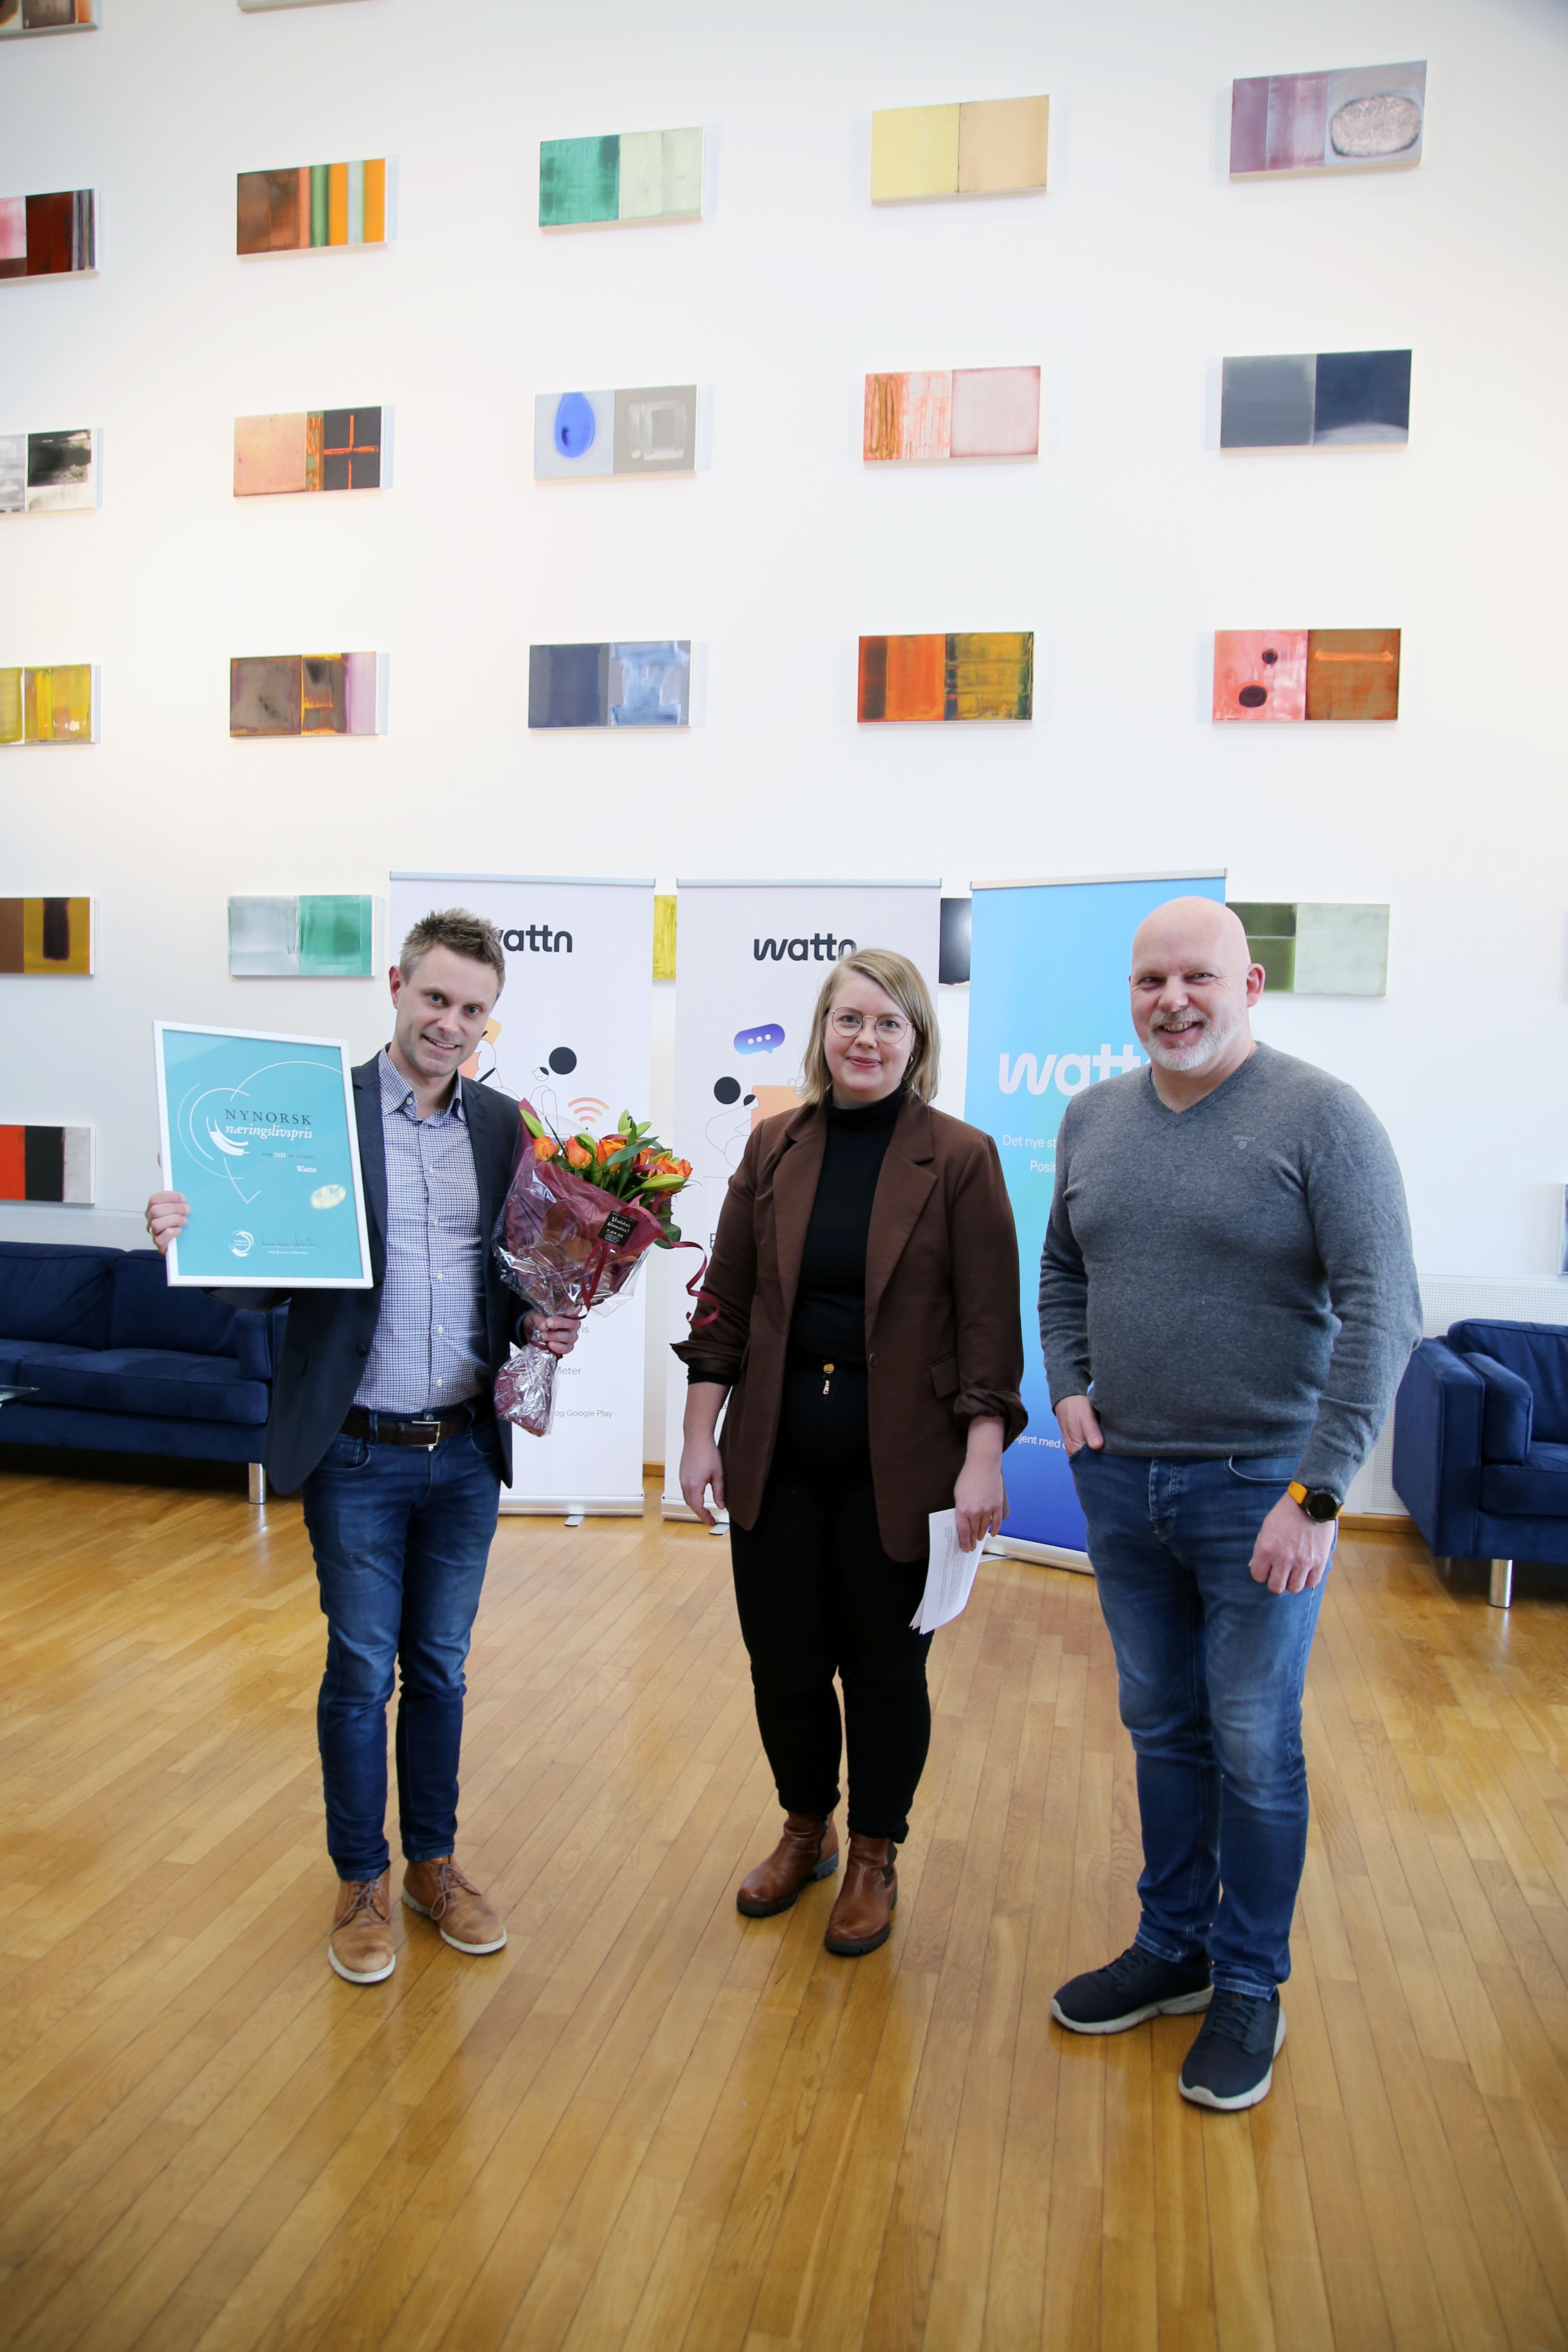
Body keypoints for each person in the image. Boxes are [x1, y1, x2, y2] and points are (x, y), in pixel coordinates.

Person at [146, 910, 578, 1987]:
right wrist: (192, 1233)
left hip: (466, 1451)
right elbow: (259, 1280)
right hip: (356, 1453)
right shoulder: (314, 1113)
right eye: (436, 998)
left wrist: (551, 1318)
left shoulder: (504, 1126)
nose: (451, 1023)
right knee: (359, 1671)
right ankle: (360, 1881)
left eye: (473, 1009)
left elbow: (517, 1278)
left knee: (440, 1669)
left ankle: (434, 1866)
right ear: (395, 986)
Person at [1040, 897, 1420, 2110]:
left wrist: (1321, 1491)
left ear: (1249, 984)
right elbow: (1061, 1269)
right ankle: (1175, 1949)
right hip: (1124, 1484)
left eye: (1197, 977)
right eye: (1150, 981)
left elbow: (1386, 1310)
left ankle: (1250, 1981)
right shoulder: (1093, 1117)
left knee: (1254, 1742)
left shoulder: (1323, 1117)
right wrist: (1069, 1385)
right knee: (1162, 1726)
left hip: (1265, 1495)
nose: (1173, 1001)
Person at [676, 948, 1026, 1956]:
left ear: (918, 1042)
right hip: (776, 1457)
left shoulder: (960, 1157)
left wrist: (984, 1455)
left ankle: (874, 1852)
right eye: (849, 1020)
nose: (865, 1039)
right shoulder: (775, 1145)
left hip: (903, 1465)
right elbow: (725, 1300)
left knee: (884, 1672)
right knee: (783, 1665)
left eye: (888, 1023)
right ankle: (807, 1830)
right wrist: (699, 1435)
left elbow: (988, 1325)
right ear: (822, 1033)